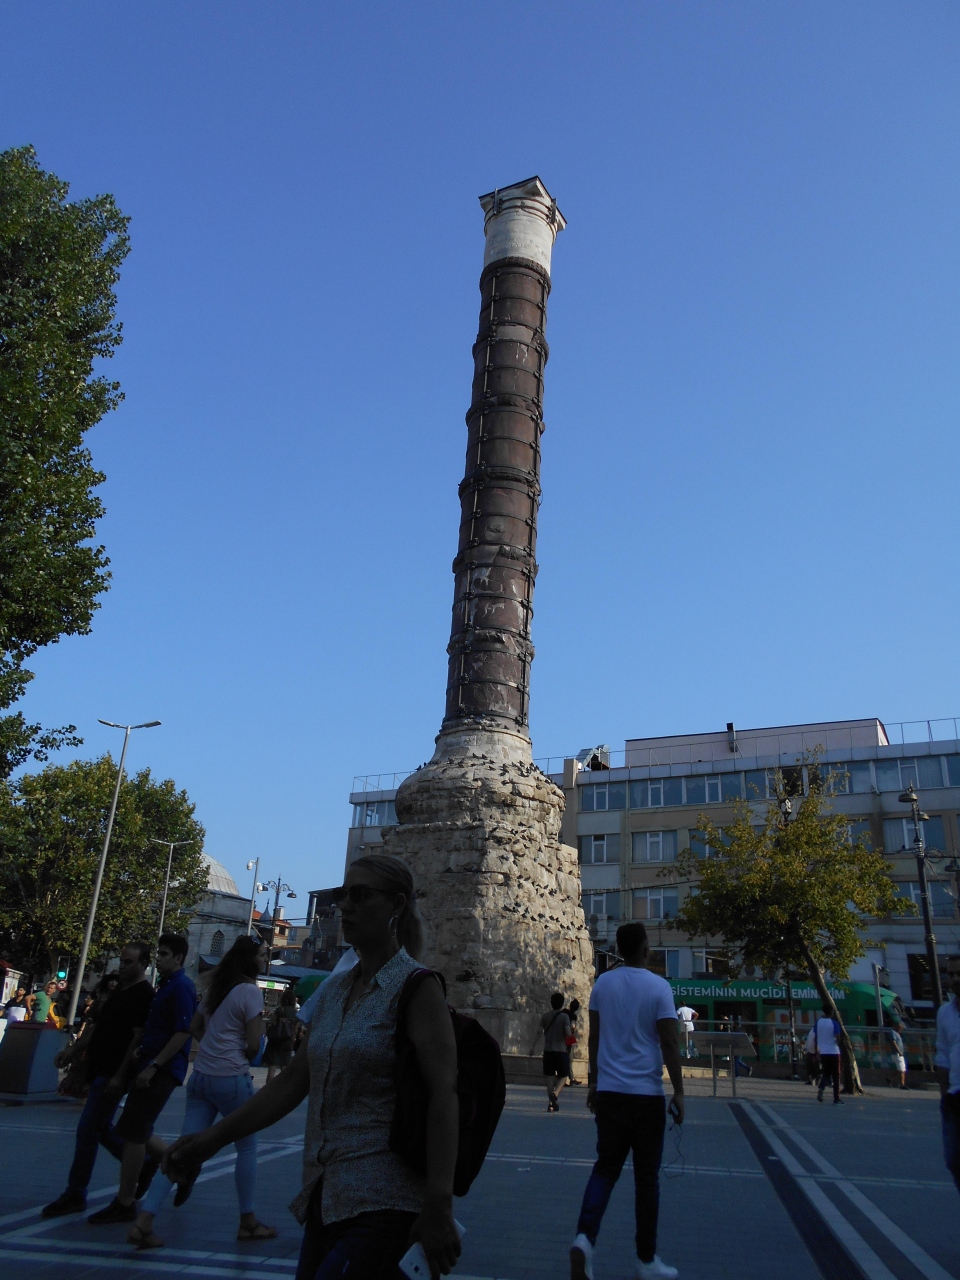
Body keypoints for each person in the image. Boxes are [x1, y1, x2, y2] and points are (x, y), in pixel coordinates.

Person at [162, 853, 462, 1280]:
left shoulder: (418, 988)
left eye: (361, 895)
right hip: (326, 1196)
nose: (345, 906)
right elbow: (292, 1083)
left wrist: (439, 1204)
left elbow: (444, 1095)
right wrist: (209, 1141)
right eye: (343, 894)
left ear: (397, 905)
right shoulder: (336, 990)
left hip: (386, 1200)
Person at [128, 935, 275, 1249]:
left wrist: (211, 1044)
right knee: (247, 1147)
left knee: (181, 1151)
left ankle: (145, 1220)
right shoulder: (250, 991)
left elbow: (194, 1027)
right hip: (231, 1077)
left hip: (201, 1077)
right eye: (263, 955)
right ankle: (248, 1220)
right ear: (249, 959)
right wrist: (238, 1051)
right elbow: (253, 1045)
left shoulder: (215, 989)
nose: (265, 960)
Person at [570, 921, 683, 1280]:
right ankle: (646, 1261)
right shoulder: (659, 987)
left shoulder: (603, 984)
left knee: (605, 1169)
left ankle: (584, 1239)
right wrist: (679, 1091)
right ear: (646, 949)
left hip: (610, 1095)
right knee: (647, 1181)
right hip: (646, 1097)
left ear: (618, 949)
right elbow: (669, 1042)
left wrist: (593, 1083)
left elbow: (594, 1038)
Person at [87, 933, 197, 1226]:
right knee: (135, 1129)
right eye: (158, 954)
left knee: (134, 1134)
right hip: (149, 1064)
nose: (159, 959)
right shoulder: (167, 985)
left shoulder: (182, 987)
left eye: (164, 954)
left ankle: (125, 1201)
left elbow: (183, 1032)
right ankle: (182, 1165)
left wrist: (154, 1065)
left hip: (161, 1071)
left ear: (179, 958)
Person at [42, 943, 155, 1218]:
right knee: (100, 1128)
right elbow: (98, 1027)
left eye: (129, 962)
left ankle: (76, 1192)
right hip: (99, 1067)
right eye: (122, 961)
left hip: (113, 1072)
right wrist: (73, 1050)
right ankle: (141, 1163)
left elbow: (137, 1037)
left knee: (88, 1129)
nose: (123, 966)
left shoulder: (143, 994)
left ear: (143, 965)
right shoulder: (119, 990)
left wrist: (120, 1075)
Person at [934, 955, 960, 1197]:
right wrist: (944, 1094)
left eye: (959, 973)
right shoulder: (945, 1013)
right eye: (950, 974)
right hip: (954, 1097)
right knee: (953, 1160)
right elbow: (942, 1054)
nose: (954, 979)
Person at [530, 993, 572, 1112]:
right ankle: (555, 1094)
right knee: (564, 1075)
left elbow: (539, 1032)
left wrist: (532, 1047)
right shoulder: (564, 1017)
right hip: (561, 1050)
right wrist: (572, 1035)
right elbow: (568, 1033)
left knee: (550, 1078)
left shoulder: (545, 1016)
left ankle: (551, 1104)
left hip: (548, 1051)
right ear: (562, 1003)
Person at [264, 988, 299, 1081]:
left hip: (275, 1041)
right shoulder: (295, 1013)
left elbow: (272, 1023)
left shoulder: (279, 1010)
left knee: (272, 1069)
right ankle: (284, 1087)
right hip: (287, 1042)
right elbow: (295, 1030)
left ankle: (269, 1088)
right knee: (284, 1068)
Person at [815, 1004, 842, 1104]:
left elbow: (815, 1037)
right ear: (831, 1012)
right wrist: (838, 1043)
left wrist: (817, 1051)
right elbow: (838, 1037)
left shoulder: (818, 1022)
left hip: (823, 1051)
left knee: (826, 1073)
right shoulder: (834, 1023)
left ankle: (821, 1088)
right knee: (836, 1075)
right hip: (833, 1051)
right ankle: (836, 1098)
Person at [890, 1022, 908, 1089]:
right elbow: (893, 1042)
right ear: (895, 1026)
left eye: (901, 1028)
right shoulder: (893, 1032)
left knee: (901, 1069)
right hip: (896, 1053)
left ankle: (890, 1079)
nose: (901, 1029)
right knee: (901, 1070)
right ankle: (902, 1085)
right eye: (899, 1027)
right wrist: (899, 1051)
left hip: (900, 1054)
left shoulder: (898, 1034)